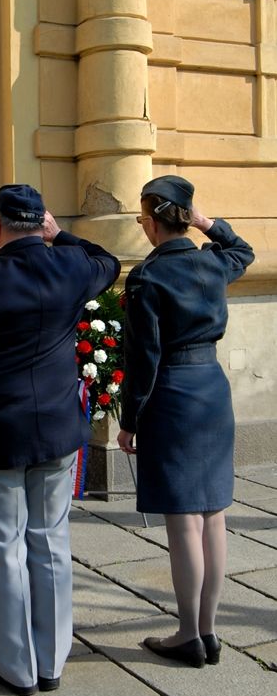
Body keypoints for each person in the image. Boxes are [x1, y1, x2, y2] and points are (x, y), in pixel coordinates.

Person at [0, 184, 120, 695]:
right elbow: (108, 260)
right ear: (42, 224)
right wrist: (62, 236)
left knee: (3, 549)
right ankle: (51, 662)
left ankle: (16, 667)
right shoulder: (72, 267)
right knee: (50, 543)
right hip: (56, 434)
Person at [117, 176, 254, 668]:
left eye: (142, 219)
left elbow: (143, 357)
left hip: (172, 395)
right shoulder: (214, 262)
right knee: (213, 514)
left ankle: (186, 634)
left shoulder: (147, 278)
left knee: (183, 522)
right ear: (185, 218)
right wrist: (205, 222)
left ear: (151, 222)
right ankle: (209, 632)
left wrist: (130, 420)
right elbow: (244, 249)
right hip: (212, 391)